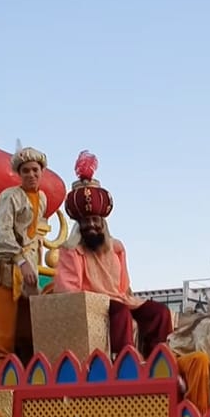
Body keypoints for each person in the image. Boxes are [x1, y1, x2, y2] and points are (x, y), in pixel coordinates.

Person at [52, 151, 172, 358]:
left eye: (95, 221)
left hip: (119, 300)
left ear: (103, 223)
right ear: (79, 225)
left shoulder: (116, 248)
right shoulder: (72, 250)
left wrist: (127, 298)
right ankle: (124, 361)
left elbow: (123, 287)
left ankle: (157, 358)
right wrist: (101, 301)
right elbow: (69, 292)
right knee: (120, 312)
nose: (91, 225)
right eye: (86, 221)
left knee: (159, 312)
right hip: (91, 305)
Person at [0, 144, 49, 363]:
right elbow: (1, 233)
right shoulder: (10, 196)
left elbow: (30, 236)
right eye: (26, 170)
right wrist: (21, 261)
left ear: (42, 172)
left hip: (27, 266)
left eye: (35, 170)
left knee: (29, 316)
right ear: (19, 174)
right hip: (5, 266)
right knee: (4, 319)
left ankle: (27, 363)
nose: (31, 174)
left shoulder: (42, 199)